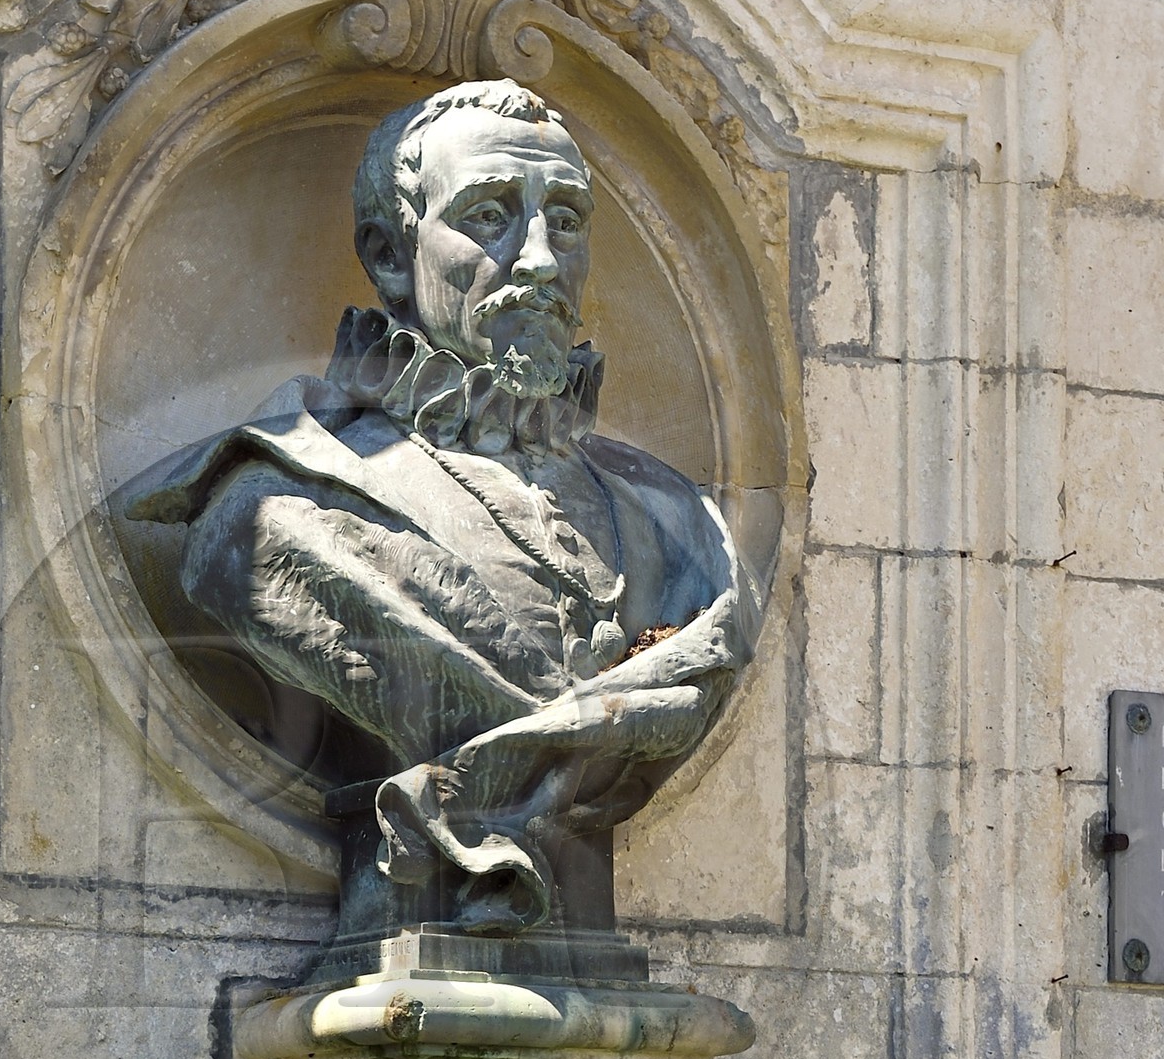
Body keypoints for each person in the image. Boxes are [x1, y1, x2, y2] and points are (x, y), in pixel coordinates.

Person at [125, 79, 756, 941]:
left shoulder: (682, 526)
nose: (540, 259)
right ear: (392, 254)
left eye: (565, 220)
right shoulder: (274, 502)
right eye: (492, 215)